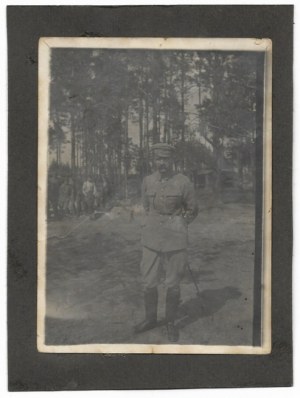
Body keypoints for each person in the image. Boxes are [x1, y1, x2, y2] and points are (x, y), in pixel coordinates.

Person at [135, 143, 198, 342]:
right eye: (158, 159)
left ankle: (170, 323)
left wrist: (181, 223)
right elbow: (145, 206)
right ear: (153, 160)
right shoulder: (147, 181)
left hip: (175, 238)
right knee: (148, 280)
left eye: (166, 159)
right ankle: (150, 319)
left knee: (173, 282)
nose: (162, 163)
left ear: (172, 160)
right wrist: (148, 223)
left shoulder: (183, 182)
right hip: (151, 237)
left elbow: (193, 209)